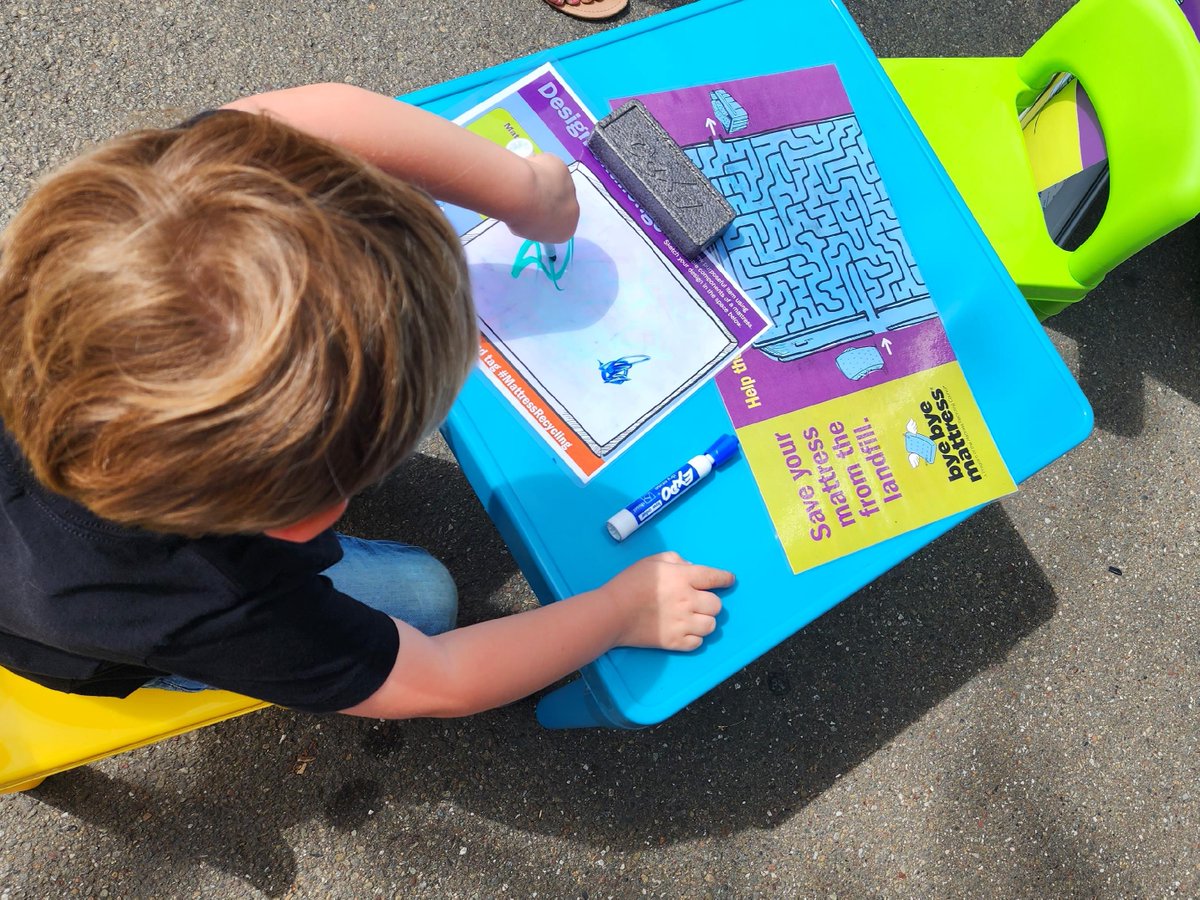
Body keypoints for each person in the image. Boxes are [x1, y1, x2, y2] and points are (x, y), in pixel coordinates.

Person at [0, 83, 733, 719]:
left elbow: (315, 119)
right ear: (310, 518)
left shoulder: (85, 254)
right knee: (426, 598)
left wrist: (524, 190)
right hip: (58, 634)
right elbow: (441, 680)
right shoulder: (213, 607)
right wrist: (617, 612)